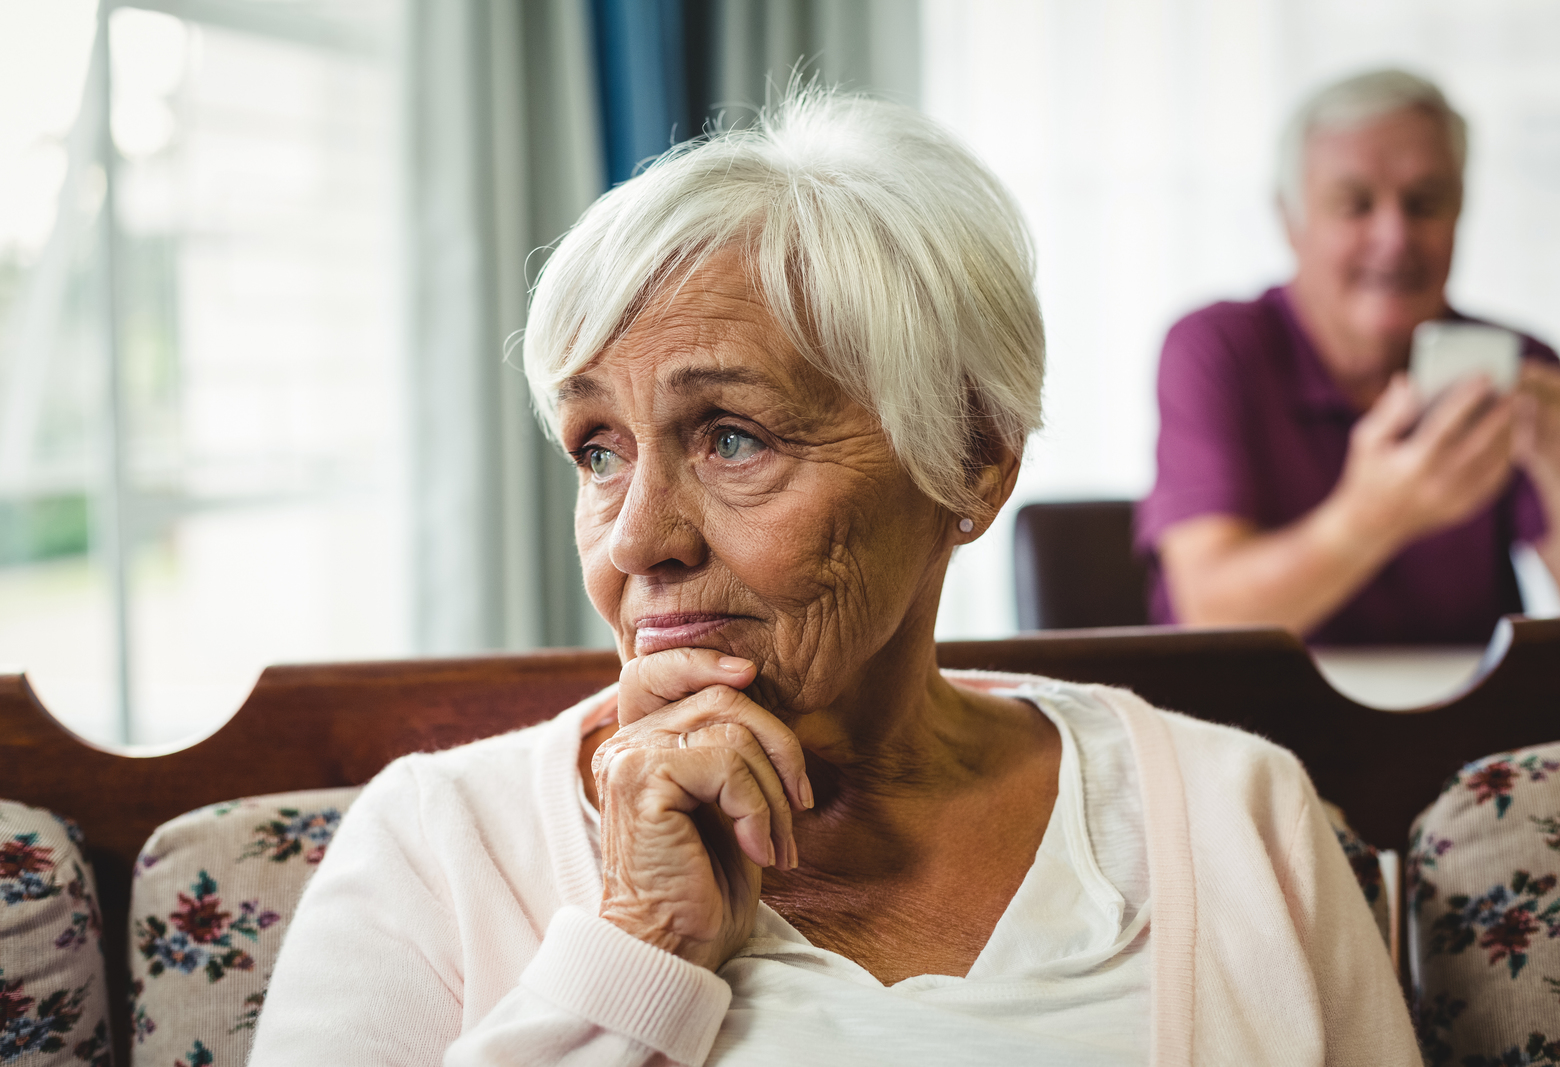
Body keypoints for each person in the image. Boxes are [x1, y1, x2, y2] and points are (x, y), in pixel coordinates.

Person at [248, 89, 1417, 1066]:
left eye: (731, 436)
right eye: (598, 450)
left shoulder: (1237, 814)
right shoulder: (435, 842)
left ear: (967, 461)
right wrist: (639, 944)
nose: (634, 539)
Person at [1137, 69, 1560, 644]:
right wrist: (1373, 517)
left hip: (1458, 723)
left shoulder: (1520, 364)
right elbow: (1210, 613)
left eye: (1425, 203)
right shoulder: (1216, 349)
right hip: (1247, 720)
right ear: (1290, 220)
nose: (1395, 235)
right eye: (1354, 205)